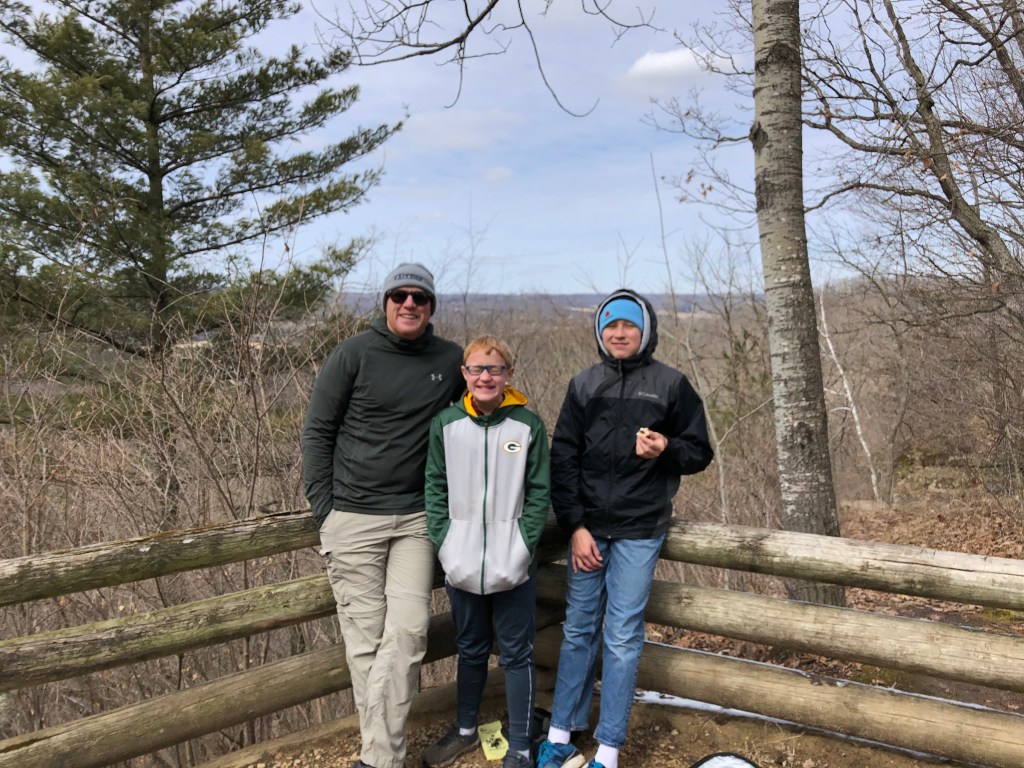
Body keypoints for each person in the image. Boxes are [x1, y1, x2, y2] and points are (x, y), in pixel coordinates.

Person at [537, 289, 714, 768]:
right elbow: (563, 458)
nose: (619, 333)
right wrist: (575, 526)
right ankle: (560, 736)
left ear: (645, 331)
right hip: (588, 531)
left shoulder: (670, 385)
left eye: (628, 325)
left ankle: (609, 749)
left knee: (621, 636)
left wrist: (666, 448)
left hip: (640, 528)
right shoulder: (583, 385)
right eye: (611, 325)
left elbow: (699, 451)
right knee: (578, 630)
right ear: (600, 332)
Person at [301, 263, 464, 768]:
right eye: (400, 295)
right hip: (353, 518)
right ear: (386, 302)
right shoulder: (353, 354)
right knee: (367, 644)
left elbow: (480, 411)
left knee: (410, 632)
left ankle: (375, 760)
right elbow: (317, 431)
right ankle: (382, 759)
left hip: (415, 520)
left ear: (431, 307)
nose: (409, 303)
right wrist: (325, 512)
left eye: (419, 297)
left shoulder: (451, 360)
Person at [422, 335, 551, 768]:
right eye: (476, 368)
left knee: (516, 653)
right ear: (464, 374)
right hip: (460, 562)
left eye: (494, 369)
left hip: (513, 564)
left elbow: (538, 492)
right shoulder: (446, 425)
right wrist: (445, 543)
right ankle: (464, 729)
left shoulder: (527, 427)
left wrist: (523, 545)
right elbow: (435, 487)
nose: (485, 377)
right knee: (471, 647)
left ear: (508, 374)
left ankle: (520, 745)